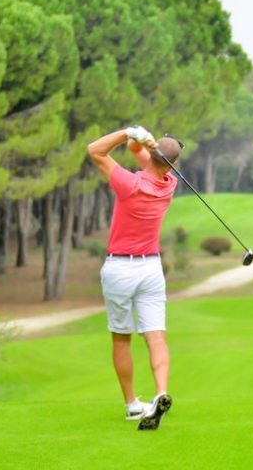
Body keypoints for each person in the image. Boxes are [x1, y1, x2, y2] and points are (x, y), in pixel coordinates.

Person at [87, 126, 182, 431]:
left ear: (153, 155)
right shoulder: (170, 184)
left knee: (121, 337)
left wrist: (127, 132)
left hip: (120, 269)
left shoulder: (129, 183)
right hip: (152, 269)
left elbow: (95, 150)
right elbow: (140, 155)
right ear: (172, 165)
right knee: (156, 336)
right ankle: (161, 393)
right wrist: (143, 143)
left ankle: (131, 405)